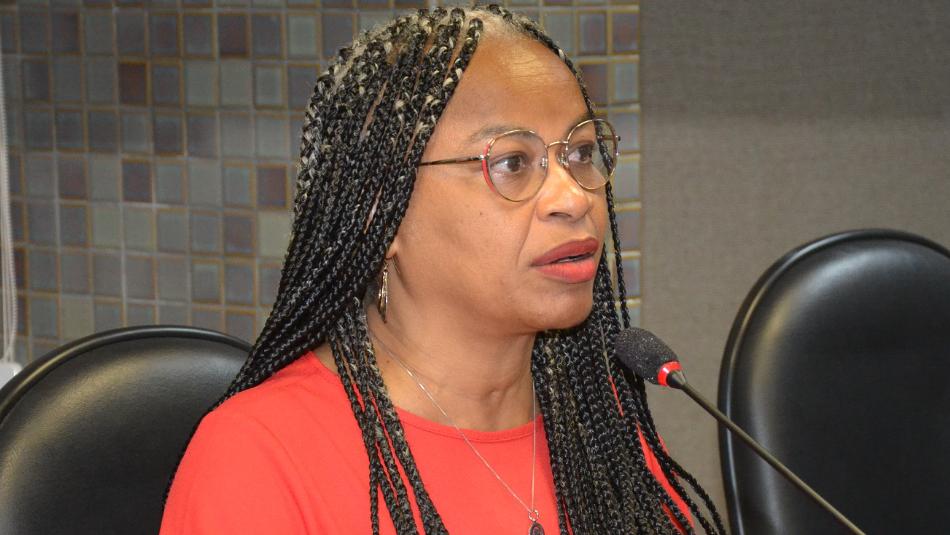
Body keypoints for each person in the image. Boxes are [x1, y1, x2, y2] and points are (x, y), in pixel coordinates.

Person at [159, 5, 724, 534]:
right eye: (512, 161)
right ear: (381, 212)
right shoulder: (258, 458)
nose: (573, 197)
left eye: (579, 153)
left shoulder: (601, 434)